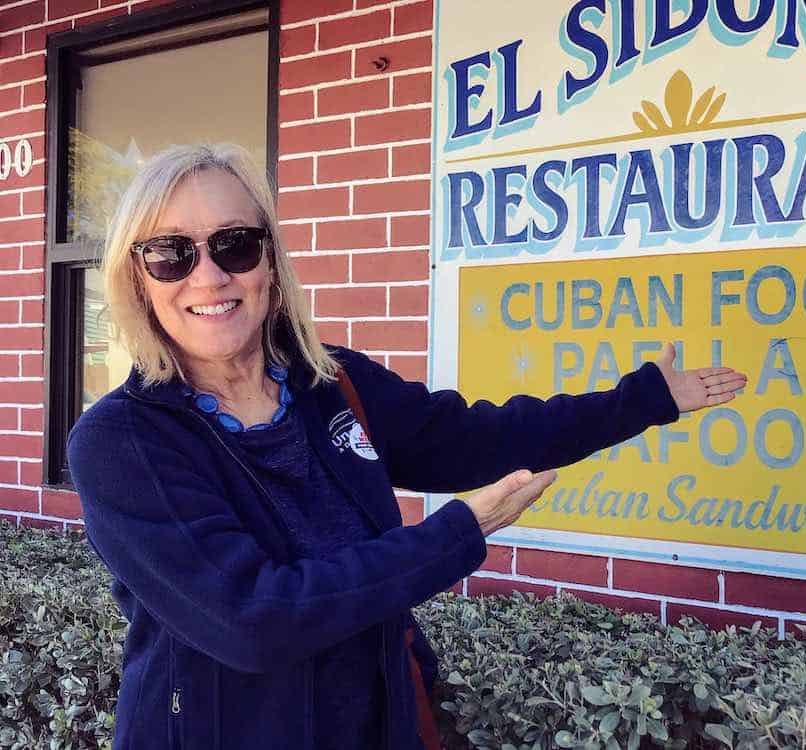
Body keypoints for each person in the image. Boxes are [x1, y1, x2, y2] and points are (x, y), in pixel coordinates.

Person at [67, 143, 748, 750]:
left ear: (269, 262)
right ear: (138, 280)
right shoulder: (124, 442)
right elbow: (251, 618)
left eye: (235, 244)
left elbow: (478, 437)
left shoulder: (331, 383)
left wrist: (644, 400)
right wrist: (459, 533)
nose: (209, 276)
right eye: (170, 253)